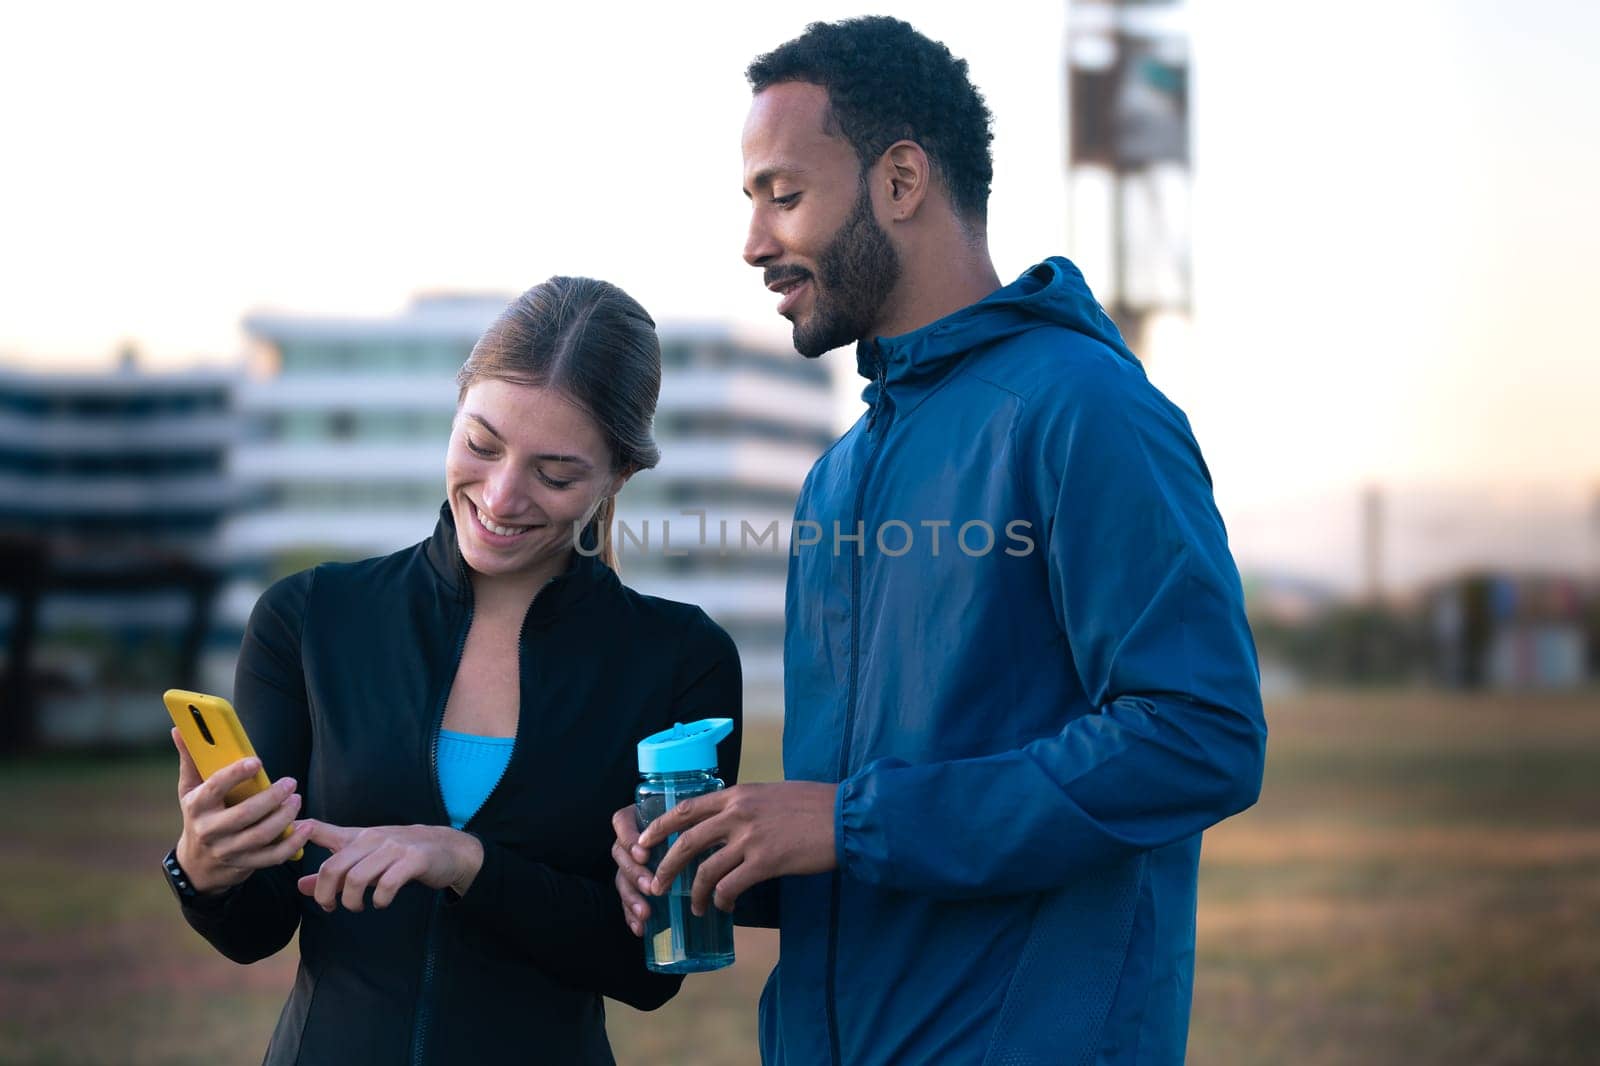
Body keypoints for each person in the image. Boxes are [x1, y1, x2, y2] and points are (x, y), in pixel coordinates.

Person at [611, 17, 1266, 1066]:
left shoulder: (1083, 409)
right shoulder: (837, 474)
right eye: (751, 203)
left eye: (783, 194)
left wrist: (847, 822)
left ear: (901, 179)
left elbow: (1199, 735)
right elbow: (869, 821)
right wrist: (731, 850)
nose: (753, 242)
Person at [162, 276, 743, 1066]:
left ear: (618, 476)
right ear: (456, 409)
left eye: (557, 473)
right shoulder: (308, 619)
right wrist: (202, 864)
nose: (502, 496)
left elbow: (648, 969)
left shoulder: (680, 661)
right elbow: (256, 930)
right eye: (481, 443)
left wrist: (467, 864)